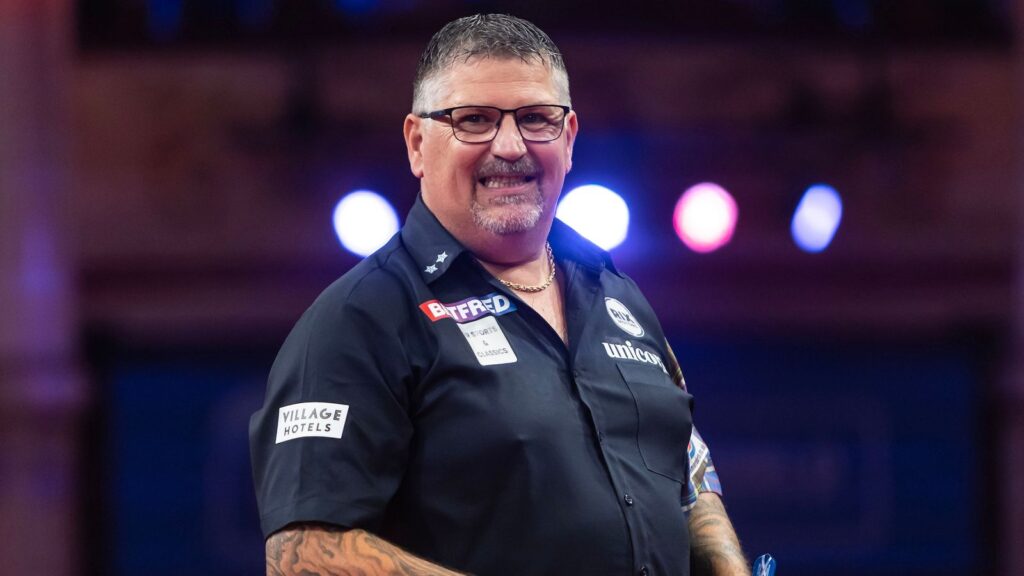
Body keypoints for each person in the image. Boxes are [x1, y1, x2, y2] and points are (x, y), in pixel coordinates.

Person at [251, 13, 750, 576]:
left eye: (536, 118)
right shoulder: (361, 318)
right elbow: (303, 556)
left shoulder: (619, 297)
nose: (510, 146)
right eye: (474, 120)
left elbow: (687, 472)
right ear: (417, 143)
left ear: (569, 137)